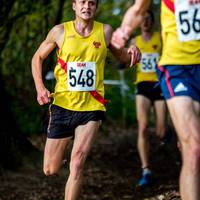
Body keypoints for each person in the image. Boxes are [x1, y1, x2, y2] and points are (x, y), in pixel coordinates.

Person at [31, 0, 141, 199]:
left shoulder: (105, 31)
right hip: (63, 105)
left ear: (96, 7)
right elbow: (37, 58)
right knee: (50, 169)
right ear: (74, 6)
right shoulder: (59, 31)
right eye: (82, 2)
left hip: (92, 106)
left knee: (78, 161)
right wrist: (40, 88)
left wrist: (133, 49)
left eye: (92, 3)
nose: (87, 6)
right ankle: (63, 149)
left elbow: (123, 58)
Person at [111, 0, 200, 200]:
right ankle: (146, 168)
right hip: (177, 70)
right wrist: (123, 32)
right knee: (194, 148)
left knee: (183, 141)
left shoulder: (157, 37)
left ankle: (173, 135)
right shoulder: (140, 37)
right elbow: (138, 9)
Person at [130, 10, 167, 187]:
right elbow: (122, 60)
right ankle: (146, 170)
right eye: (142, 19)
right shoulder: (134, 41)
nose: (145, 22)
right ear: (139, 23)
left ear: (152, 22)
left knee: (161, 131)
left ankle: (167, 132)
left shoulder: (160, 38)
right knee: (143, 127)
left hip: (160, 85)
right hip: (142, 86)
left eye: (148, 19)